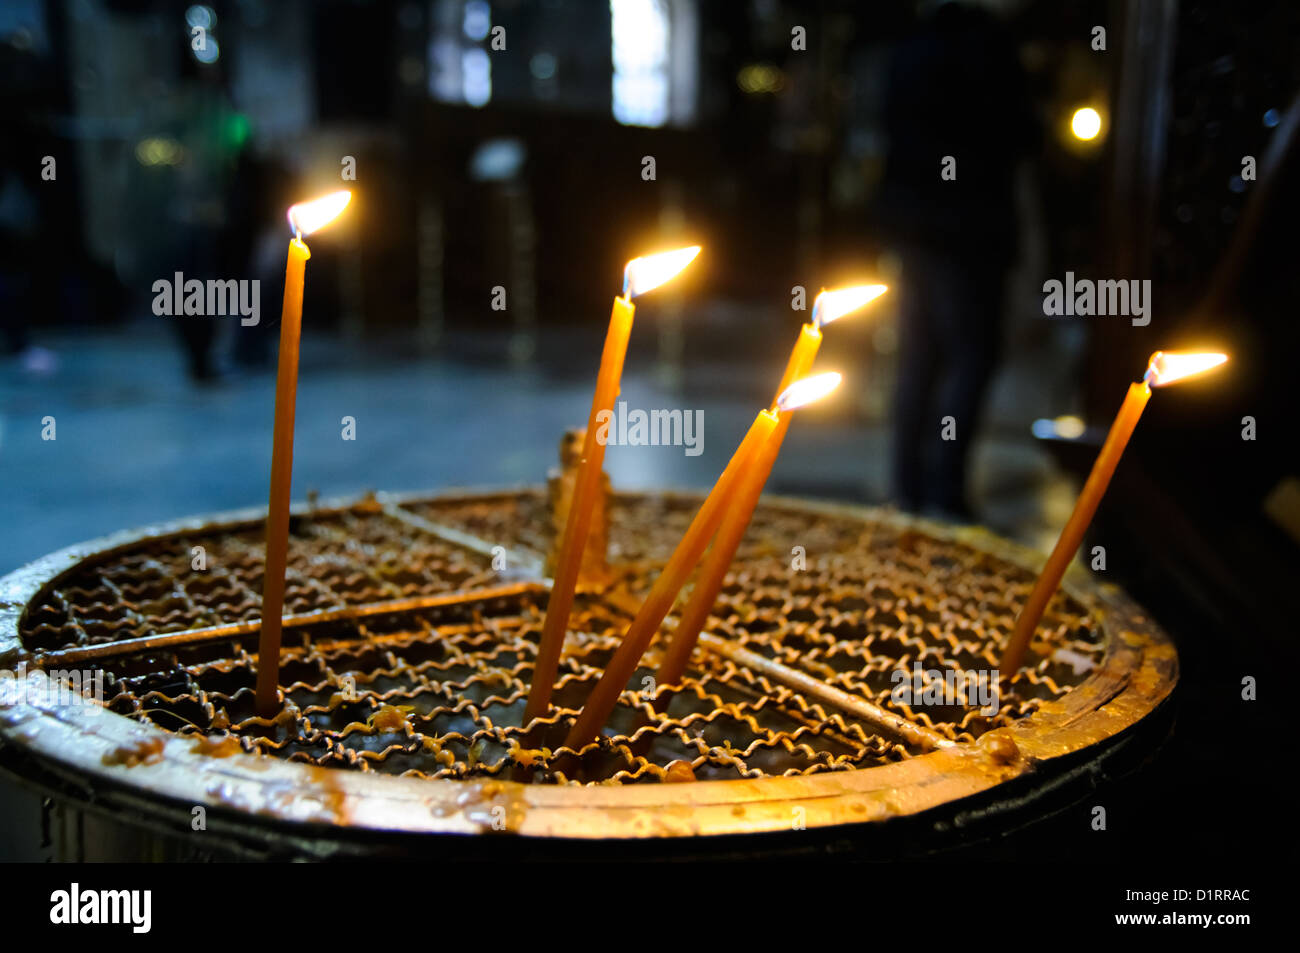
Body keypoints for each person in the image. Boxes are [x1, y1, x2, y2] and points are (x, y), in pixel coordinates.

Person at [876, 1, 1038, 520]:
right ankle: (945, 488)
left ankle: (908, 486)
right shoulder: (987, 45)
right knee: (971, 356)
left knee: (920, 357)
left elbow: (890, 128)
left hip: (916, 225)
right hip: (970, 228)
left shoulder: (911, 43)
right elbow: (1019, 133)